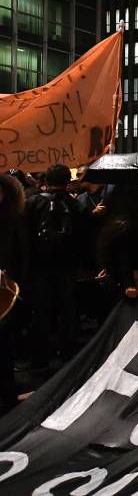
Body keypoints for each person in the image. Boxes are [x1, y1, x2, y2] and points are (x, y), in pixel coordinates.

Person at [23, 164, 90, 368]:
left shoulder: (32, 203)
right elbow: (84, 240)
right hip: (66, 268)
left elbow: (24, 236)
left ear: (45, 181)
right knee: (66, 311)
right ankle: (68, 356)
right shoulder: (77, 206)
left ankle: (39, 359)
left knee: (40, 313)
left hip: (39, 268)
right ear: (67, 183)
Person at [0, 173, 28, 414]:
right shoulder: (14, 220)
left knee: (5, 343)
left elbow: (21, 255)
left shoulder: (14, 220)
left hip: (6, 290)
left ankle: (8, 393)